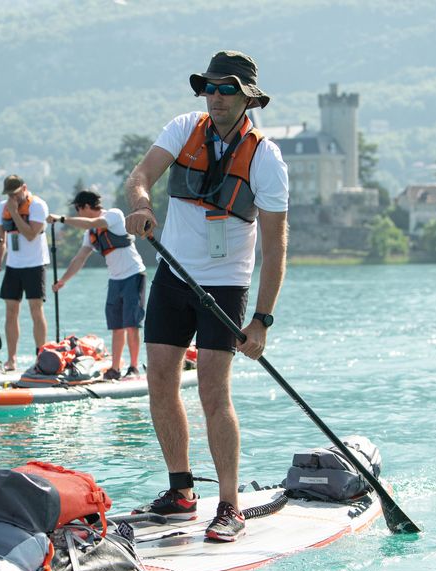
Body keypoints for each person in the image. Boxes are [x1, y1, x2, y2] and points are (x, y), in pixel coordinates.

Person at [123, 51, 289, 542]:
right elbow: (138, 178)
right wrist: (141, 206)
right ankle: (180, 493)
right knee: (159, 383)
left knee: (213, 392)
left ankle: (230, 506)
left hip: (225, 285)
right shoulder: (182, 128)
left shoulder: (265, 157)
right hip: (172, 277)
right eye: (209, 87)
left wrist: (262, 319)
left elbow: (276, 246)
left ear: (248, 98)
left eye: (227, 89)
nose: (215, 97)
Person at [47, 190, 146, 380]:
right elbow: (79, 258)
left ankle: (133, 367)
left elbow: (93, 222)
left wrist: (61, 219)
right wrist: (62, 281)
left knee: (131, 325)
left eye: (78, 210)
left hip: (134, 275)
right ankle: (115, 369)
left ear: (85, 207)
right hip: (115, 280)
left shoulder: (113, 215)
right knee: (117, 327)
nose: (78, 214)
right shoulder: (90, 234)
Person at [0, 174, 50, 371]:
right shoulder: (2, 207)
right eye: (9, 195)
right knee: (11, 311)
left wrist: (15, 212)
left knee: (35, 309)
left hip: (35, 264)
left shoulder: (38, 206)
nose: (12, 198)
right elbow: (0, 237)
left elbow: (31, 234)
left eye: (15, 194)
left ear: (24, 188)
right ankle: (11, 359)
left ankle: (41, 357)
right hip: (13, 266)